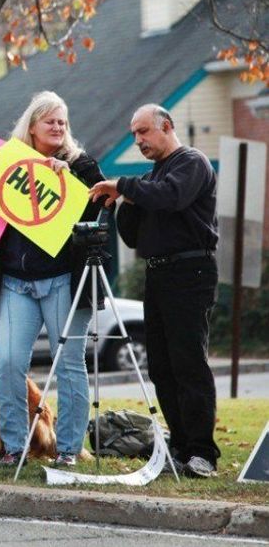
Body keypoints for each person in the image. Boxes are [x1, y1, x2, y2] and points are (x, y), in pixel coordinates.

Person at [0, 91, 104, 468]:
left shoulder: (81, 164)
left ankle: (68, 449)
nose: (58, 128)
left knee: (69, 362)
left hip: (62, 281)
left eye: (63, 122)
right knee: (7, 364)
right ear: (32, 126)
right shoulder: (5, 162)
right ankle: (13, 447)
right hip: (14, 282)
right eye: (50, 121)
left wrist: (68, 178)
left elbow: (102, 204)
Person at [89, 104, 219, 478]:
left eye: (144, 131)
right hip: (158, 273)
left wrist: (126, 187)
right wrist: (123, 203)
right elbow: (133, 237)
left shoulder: (191, 162)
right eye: (134, 134)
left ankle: (202, 453)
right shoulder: (150, 179)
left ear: (166, 126)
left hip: (190, 270)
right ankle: (178, 447)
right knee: (161, 367)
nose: (138, 140)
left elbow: (171, 197)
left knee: (188, 363)